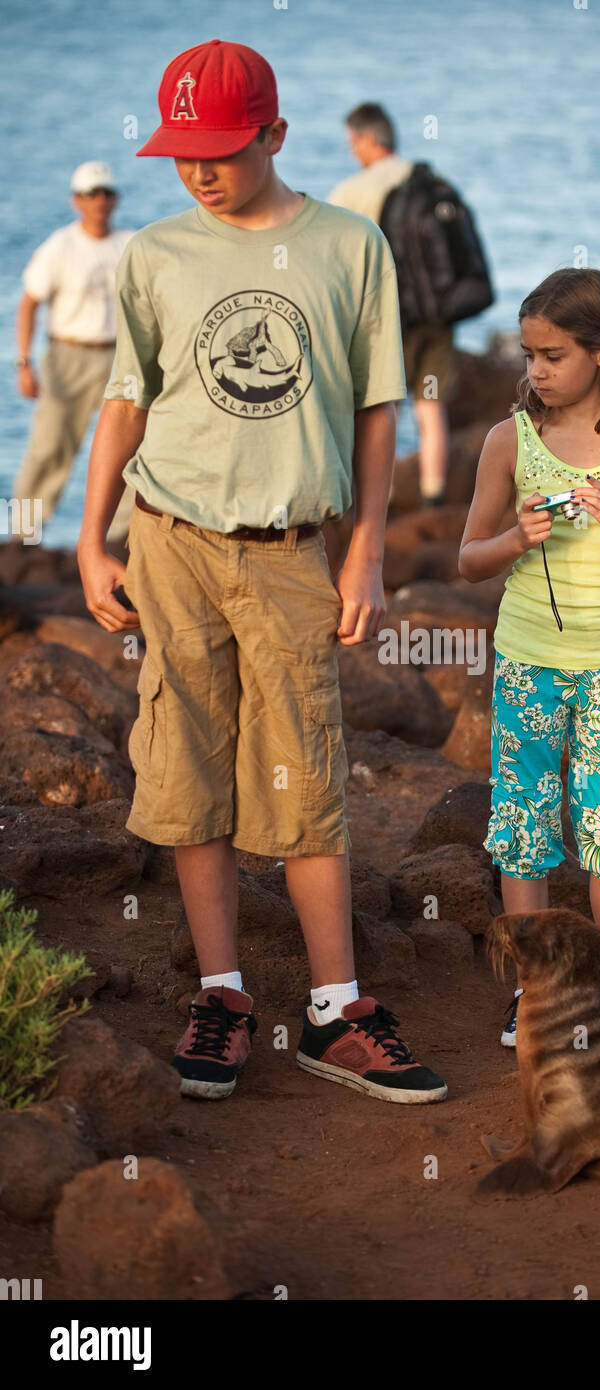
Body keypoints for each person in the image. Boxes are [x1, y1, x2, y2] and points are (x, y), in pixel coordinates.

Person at [77, 39, 446, 1105]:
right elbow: (124, 401)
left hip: (291, 550)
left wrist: (367, 546)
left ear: (276, 135)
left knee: (305, 772)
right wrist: (95, 537)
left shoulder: (347, 246)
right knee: (189, 761)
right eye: (182, 150)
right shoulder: (153, 252)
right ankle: (224, 992)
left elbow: (378, 407)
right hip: (171, 538)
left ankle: (336, 1010)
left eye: (223, 150)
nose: (199, 169)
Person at [458, 267, 600, 1042]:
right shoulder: (508, 440)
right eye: (527, 355)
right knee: (523, 822)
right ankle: (534, 993)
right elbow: (468, 560)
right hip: (526, 662)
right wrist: (514, 538)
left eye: (551, 355)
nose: (535, 371)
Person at [328, 103, 456, 506]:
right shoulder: (433, 182)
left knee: (384, 410)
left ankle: (375, 501)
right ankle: (433, 496)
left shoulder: (354, 191)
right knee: (430, 408)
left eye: (353, 143)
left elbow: (333, 259)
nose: (353, 152)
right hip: (437, 314)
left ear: (368, 140)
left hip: (387, 318)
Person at [13, 161, 135, 546]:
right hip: (69, 355)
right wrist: (24, 363)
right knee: (49, 446)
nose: (99, 200)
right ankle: (22, 535)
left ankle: (120, 535)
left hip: (120, 356)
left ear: (115, 199)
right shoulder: (60, 247)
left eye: (106, 193)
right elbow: (29, 303)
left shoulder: (130, 244)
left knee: (131, 448)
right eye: (90, 194)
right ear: (76, 201)